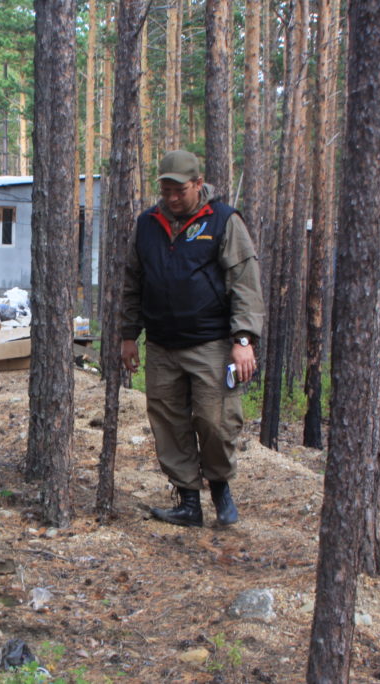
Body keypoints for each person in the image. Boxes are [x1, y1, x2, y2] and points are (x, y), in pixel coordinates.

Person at [120, 150, 265, 527]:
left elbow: (245, 284)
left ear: (198, 184)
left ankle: (219, 486)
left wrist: (244, 339)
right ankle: (188, 501)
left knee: (216, 421)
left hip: (212, 343)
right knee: (168, 423)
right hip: (163, 345)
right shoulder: (147, 224)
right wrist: (127, 334)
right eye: (165, 190)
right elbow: (133, 283)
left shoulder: (223, 221)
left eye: (179, 190)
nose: (171, 198)